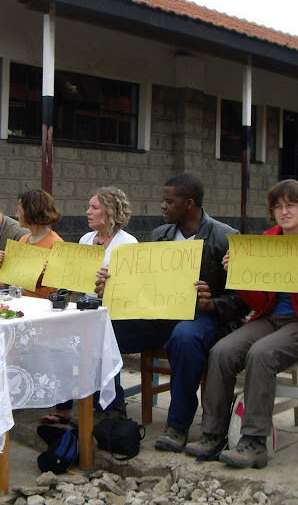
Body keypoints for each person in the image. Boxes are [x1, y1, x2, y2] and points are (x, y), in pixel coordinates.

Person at [185, 179, 298, 468]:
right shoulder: (266, 240)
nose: (284, 211)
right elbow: (258, 303)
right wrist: (240, 273)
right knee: (222, 351)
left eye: (290, 205)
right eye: (278, 206)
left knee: (262, 353)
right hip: (270, 317)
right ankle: (212, 433)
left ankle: (254, 441)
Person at [96, 173, 249, 452]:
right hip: (162, 313)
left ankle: (178, 425)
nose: (162, 207)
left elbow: (243, 299)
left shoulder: (224, 237)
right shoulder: (159, 235)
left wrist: (211, 302)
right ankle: (112, 407)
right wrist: (112, 287)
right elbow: (143, 284)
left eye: (169, 201)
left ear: (189, 204)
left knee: (184, 337)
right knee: (105, 328)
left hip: (204, 318)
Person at [42, 187, 138, 424]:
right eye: (89, 206)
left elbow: (134, 292)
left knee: (96, 338)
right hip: (88, 310)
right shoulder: (86, 239)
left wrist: (112, 285)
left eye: (95, 207)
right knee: (59, 338)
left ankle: (112, 406)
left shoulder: (127, 244)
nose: (88, 212)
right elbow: (73, 281)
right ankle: (64, 405)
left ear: (111, 211)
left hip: (117, 313)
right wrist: (54, 271)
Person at [0, 189, 63, 298]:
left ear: (31, 212)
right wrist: (1, 265)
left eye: (20, 211)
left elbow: (55, 290)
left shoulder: (56, 245)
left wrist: (24, 292)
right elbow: (13, 280)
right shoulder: (24, 240)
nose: (16, 215)